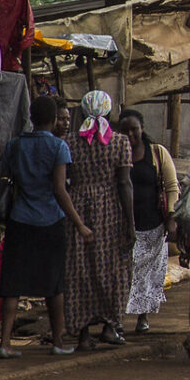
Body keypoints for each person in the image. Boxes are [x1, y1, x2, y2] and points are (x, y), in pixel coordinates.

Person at [0, 96, 90, 357]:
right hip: (51, 221)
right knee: (54, 284)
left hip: (19, 219)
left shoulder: (14, 145)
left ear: (31, 117)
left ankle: (4, 343)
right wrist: (80, 224)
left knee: (12, 285)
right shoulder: (59, 147)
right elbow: (60, 190)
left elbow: (6, 176)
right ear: (53, 120)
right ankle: (58, 342)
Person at [63, 90, 134, 350]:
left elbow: (65, 180)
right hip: (110, 210)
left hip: (77, 208)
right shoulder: (120, 142)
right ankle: (109, 326)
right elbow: (125, 183)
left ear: (81, 112)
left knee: (79, 268)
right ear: (108, 112)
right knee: (113, 267)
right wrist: (130, 222)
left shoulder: (69, 141)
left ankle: (82, 334)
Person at [119, 110, 176, 334]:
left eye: (134, 128)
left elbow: (171, 186)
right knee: (125, 274)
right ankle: (118, 319)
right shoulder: (117, 153)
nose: (131, 134)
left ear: (142, 128)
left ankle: (142, 316)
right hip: (124, 226)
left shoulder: (157, 153)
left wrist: (171, 218)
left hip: (153, 225)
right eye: (125, 130)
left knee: (147, 275)